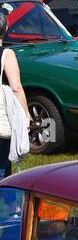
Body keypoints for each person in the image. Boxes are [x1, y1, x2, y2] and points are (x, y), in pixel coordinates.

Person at [0, 19, 27, 177]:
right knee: (3, 165)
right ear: (6, 28)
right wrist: (26, 114)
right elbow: (16, 87)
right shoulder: (6, 54)